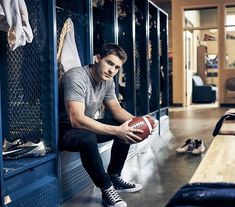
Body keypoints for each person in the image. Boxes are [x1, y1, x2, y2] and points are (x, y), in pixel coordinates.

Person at [59, 43, 155, 207]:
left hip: (84, 125)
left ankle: (114, 177)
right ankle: (106, 188)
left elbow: (116, 109)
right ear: (97, 59)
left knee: (126, 124)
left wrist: (141, 122)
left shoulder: (107, 81)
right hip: (63, 129)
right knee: (88, 138)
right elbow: (76, 119)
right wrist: (117, 131)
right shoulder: (76, 77)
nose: (112, 70)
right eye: (109, 63)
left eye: (117, 67)